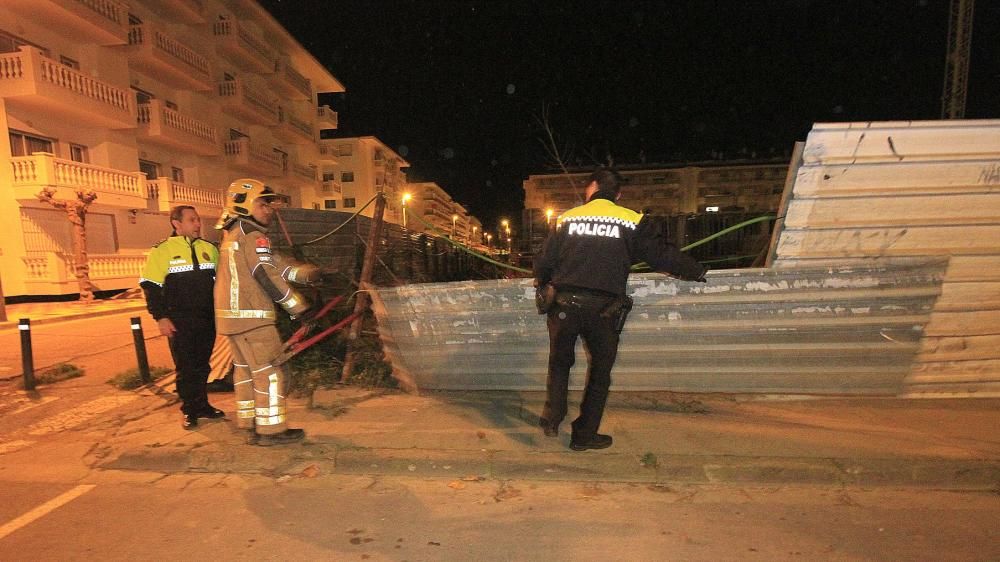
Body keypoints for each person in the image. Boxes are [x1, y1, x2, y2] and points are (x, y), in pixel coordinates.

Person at [533, 167, 707, 451]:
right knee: (600, 373)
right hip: (604, 311)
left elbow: (543, 261)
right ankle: (584, 435)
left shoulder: (566, 219)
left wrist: (543, 281)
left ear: (591, 188)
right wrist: (696, 270)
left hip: (564, 305)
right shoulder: (632, 220)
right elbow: (661, 256)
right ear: (618, 194)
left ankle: (552, 419)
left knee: (560, 363)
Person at [214, 178, 319, 446]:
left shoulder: (233, 235)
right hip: (253, 319)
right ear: (245, 205)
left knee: (246, 372)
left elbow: (276, 265)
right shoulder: (253, 236)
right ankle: (271, 431)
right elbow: (266, 275)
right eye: (263, 204)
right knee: (271, 374)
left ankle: (249, 423)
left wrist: (307, 274)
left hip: (233, 321)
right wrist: (299, 308)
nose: (269, 209)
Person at [140, 205, 223, 430]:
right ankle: (189, 410)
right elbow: (151, 286)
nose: (198, 224)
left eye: (198, 220)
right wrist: (160, 317)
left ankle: (203, 405)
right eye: (192, 220)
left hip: (206, 318)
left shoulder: (210, 249)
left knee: (203, 365)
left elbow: (222, 284)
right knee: (186, 367)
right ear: (177, 224)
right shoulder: (162, 251)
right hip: (179, 321)